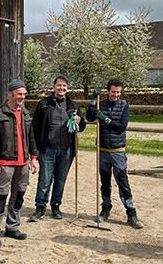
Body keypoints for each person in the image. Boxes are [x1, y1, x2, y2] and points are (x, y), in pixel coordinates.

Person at [0, 79, 39, 248]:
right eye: (19, 94)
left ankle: (12, 227)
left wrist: (34, 158)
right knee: (0, 196)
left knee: (19, 196)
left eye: (24, 94)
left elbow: (31, 137)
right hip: (5, 163)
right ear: (10, 94)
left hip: (23, 164)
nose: (22, 97)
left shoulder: (25, 114)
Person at [86, 79, 143, 229]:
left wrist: (105, 119)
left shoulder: (124, 106)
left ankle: (131, 213)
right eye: (113, 92)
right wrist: (93, 99)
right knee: (105, 182)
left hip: (117, 150)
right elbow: (90, 117)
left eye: (118, 92)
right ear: (108, 91)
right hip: (103, 149)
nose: (116, 95)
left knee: (123, 182)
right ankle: (105, 208)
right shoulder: (101, 103)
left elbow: (121, 127)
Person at [29, 75, 86, 221]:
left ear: (67, 88)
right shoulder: (44, 104)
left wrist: (79, 121)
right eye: (59, 85)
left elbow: (82, 127)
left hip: (67, 150)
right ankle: (40, 207)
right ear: (53, 87)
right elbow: (35, 126)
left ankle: (56, 206)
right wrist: (35, 149)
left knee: (60, 180)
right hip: (48, 149)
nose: (62, 88)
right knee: (45, 179)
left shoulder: (73, 106)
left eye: (64, 86)